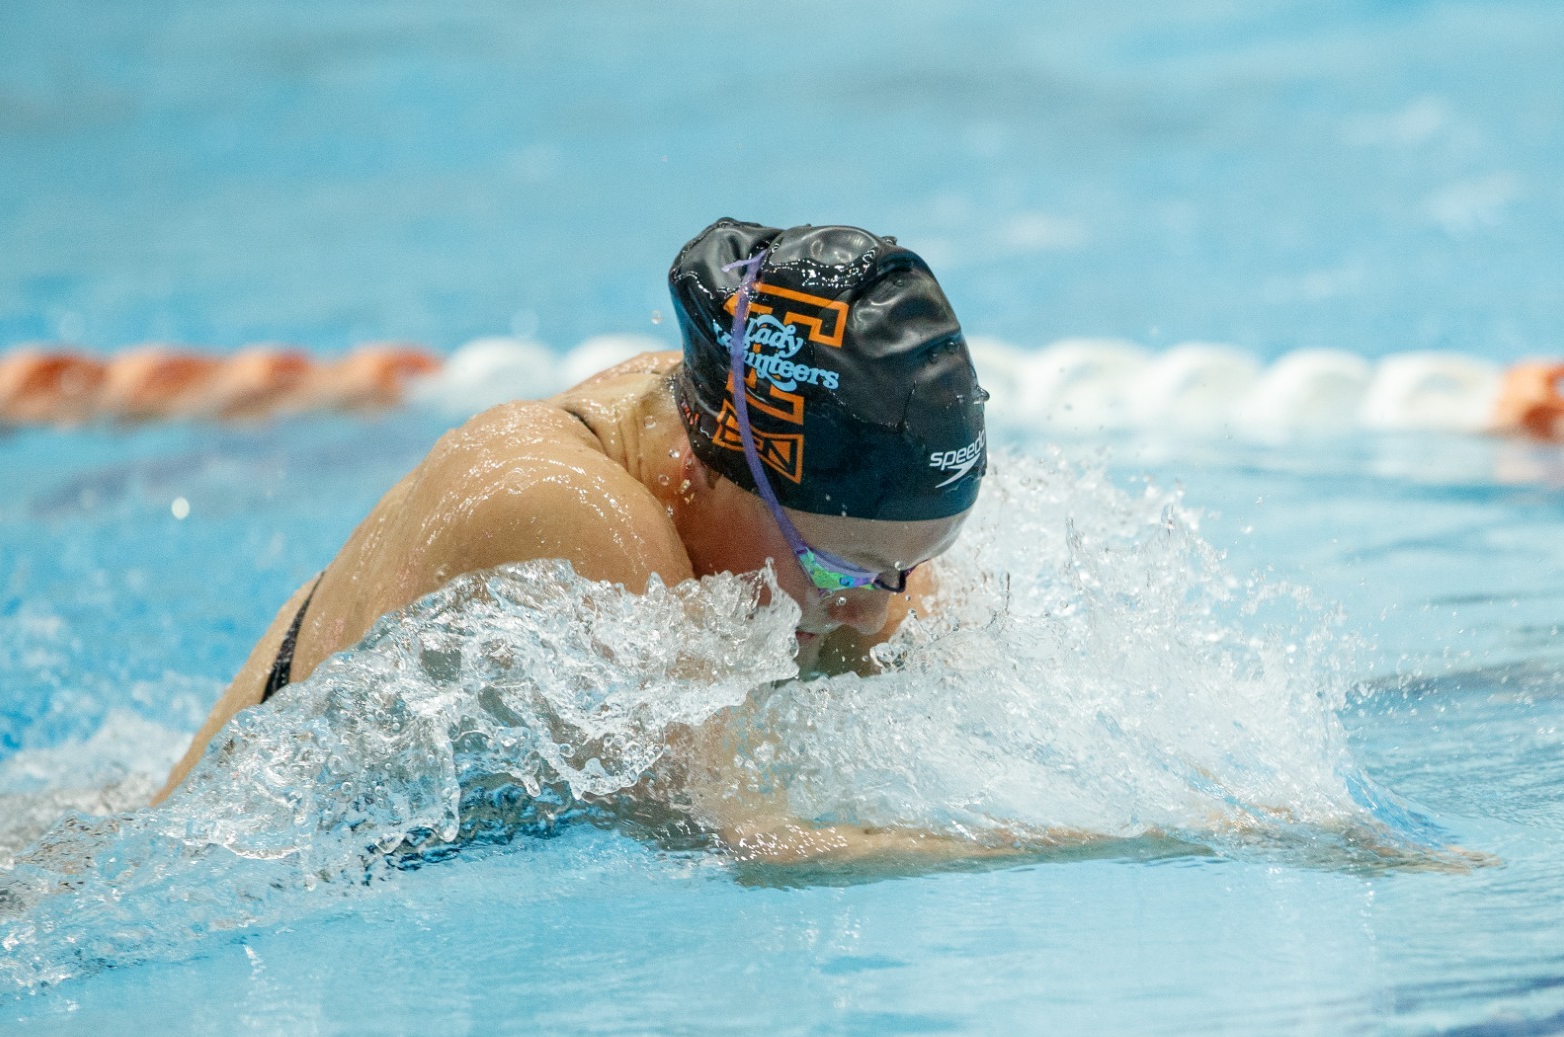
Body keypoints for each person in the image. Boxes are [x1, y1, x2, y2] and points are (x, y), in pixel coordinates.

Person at [153, 220, 989, 819]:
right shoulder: (562, 512)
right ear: (708, 475)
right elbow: (746, 836)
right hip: (206, 858)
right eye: (845, 568)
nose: (875, 607)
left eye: (902, 568)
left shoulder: (740, 439)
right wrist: (1091, 842)